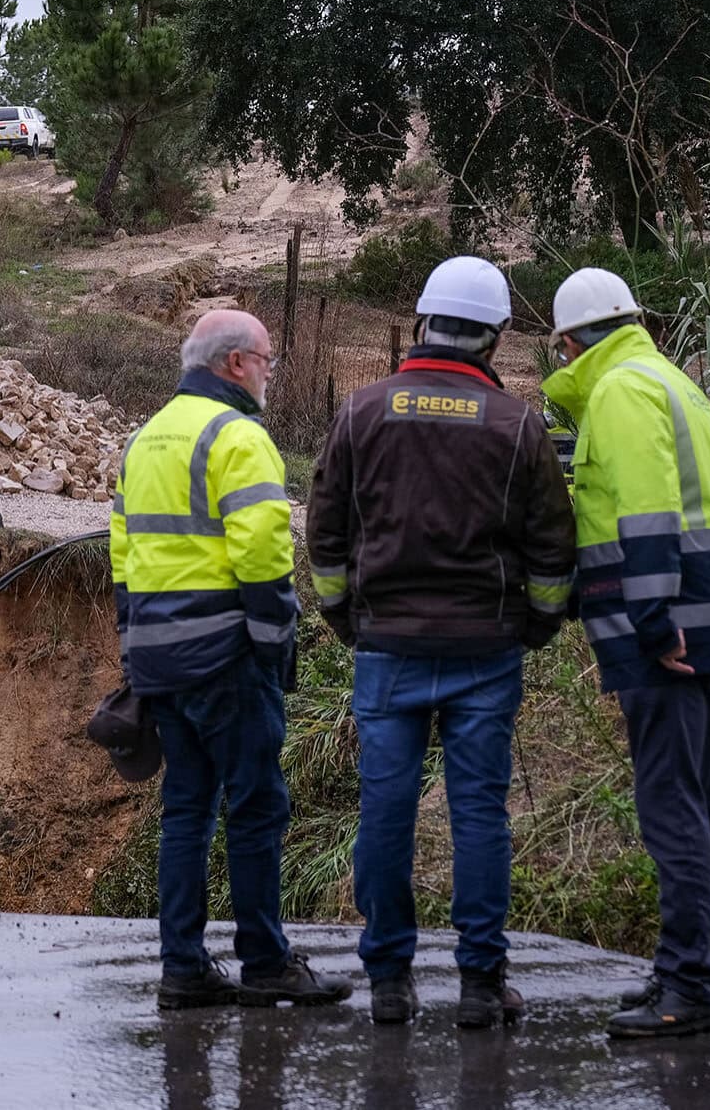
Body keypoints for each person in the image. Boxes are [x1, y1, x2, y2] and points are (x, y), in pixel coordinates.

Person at [307, 256, 576, 1028]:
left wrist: (347, 622)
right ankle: (482, 985)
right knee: (480, 815)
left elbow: (324, 540)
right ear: (493, 338)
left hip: (387, 648)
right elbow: (553, 551)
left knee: (384, 812)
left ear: (423, 325)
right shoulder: (517, 425)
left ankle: (389, 980)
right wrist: (536, 625)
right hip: (485, 652)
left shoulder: (362, 412)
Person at [109, 308, 353, 1011]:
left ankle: (182, 966)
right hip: (226, 655)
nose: (271, 372)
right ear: (236, 362)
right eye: (268, 360)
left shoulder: (144, 437)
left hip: (159, 658)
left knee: (185, 806)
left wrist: (135, 649)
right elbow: (264, 559)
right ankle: (266, 961)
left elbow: (123, 560)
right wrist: (278, 646)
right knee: (256, 804)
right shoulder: (239, 436)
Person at [542, 268, 710, 1040]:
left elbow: (647, 512)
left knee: (673, 805)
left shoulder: (622, 391)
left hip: (672, 631)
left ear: (572, 341)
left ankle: (689, 986)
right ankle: (690, 969)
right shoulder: (672, 381)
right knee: (704, 801)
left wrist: (654, 620)